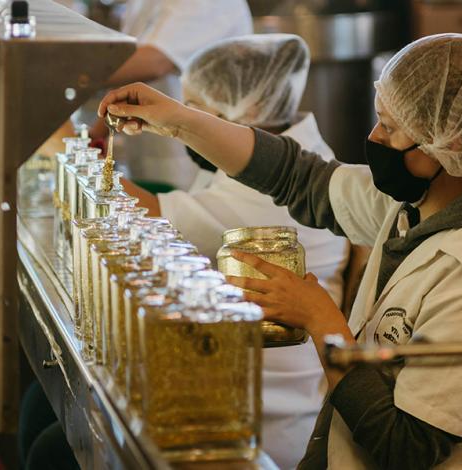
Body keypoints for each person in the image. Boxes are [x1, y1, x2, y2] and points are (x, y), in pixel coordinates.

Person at [98, 33, 462, 469]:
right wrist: (179, 120)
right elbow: (297, 177)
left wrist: (322, 322)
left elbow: (406, 446)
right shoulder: (415, 207)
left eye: (389, 127)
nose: (375, 139)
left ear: (452, 144)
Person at [121, 34, 349, 469]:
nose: (185, 126)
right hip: (233, 386)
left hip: (264, 419)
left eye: (194, 113)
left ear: (243, 111)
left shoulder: (268, 195)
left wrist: (64, 147)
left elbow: (143, 217)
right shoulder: (288, 148)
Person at [98, 0, 253, 190]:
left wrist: (69, 74)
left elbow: (154, 61)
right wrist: (98, 131)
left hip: (191, 154)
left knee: (182, 212)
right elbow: (129, 73)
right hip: (151, 144)